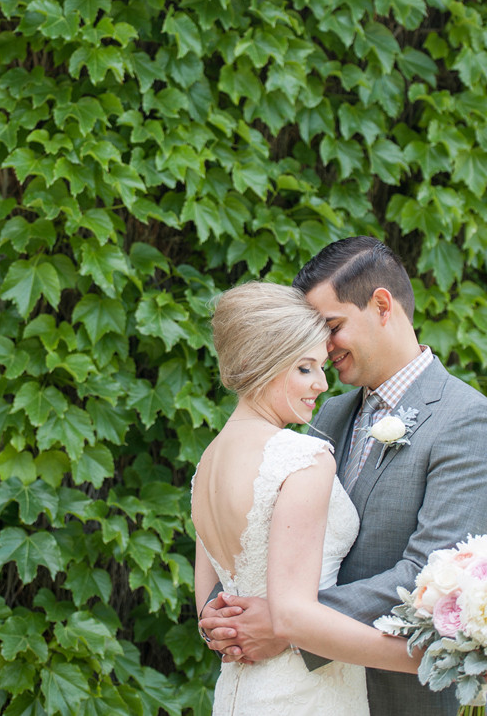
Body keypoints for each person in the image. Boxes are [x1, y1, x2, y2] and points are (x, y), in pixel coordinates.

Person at [199, 237, 487, 716]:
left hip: (399, 694)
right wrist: (223, 612)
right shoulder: (324, 414)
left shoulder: (466, 419)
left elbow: (427, 573)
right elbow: (253, 523)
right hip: (307, 693)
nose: (324, 348)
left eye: (332, 327)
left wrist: (288, 625)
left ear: (380, 305)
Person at [192, 280, 419, 716]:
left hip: (239, 692)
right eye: (304, 367)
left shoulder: (208, 462)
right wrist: (429, 659)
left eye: (320, 366)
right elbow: (293, 618)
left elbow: (210, 604)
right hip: (306, 694)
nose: (320, 383)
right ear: (263, 363)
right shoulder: (301, 456)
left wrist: (221, 632)